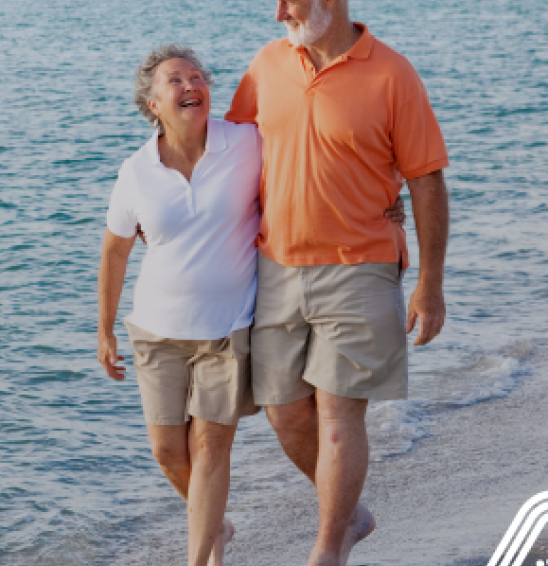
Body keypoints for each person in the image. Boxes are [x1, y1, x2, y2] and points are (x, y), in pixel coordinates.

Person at [97, 44, 406, 566]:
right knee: (168, 452)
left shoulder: (244, 142)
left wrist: (384, 194)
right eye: (175, 80)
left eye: (198, 76)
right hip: (155, 330)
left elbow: (315, 150)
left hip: (228, 329)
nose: (191, 84)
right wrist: (104, 329)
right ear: (152, 103)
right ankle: (214, 526)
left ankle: (204, 558)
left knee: (211, 447)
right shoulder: (136, 171)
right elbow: (115, 248)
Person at [223, 0, 452, 564]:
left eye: (289, 1)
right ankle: (349, 515)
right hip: (274, 266)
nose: (279, 14)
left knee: (337, 414)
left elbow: (426, 180)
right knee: (283, 412)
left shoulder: (392, 74)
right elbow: (229, 157)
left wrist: (430, 283)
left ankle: (328, 549)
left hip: (362, 266)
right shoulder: (266, 65)